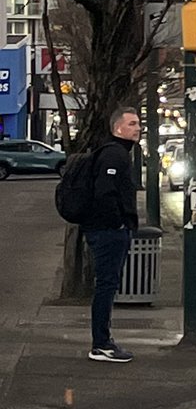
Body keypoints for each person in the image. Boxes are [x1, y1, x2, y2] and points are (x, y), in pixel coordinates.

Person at [80, 107, 141, 363]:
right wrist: (118, 224)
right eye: (132, 123)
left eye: (138, 123)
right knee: (106, 285)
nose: (138, 128)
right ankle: (101, 344)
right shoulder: (115, 155)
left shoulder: (114, 152)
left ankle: (103, 341)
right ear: (118, 128)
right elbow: (105, 192)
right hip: (108, 232)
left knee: (106, 284)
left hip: (105, 230)